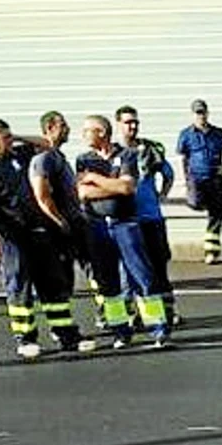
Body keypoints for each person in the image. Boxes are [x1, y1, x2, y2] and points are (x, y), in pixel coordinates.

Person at [0, 118, 85, 358]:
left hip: (40, 231)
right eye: (5, 137)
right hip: (12, 237)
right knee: (19, 286)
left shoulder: (20, 154)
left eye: (10, 136)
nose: (10, 140)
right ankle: (26, 338)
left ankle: (66, 334)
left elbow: (47, 144)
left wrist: (18, 137)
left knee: (53, 284)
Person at [77, 115, 171, 350]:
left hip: (125, 224)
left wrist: (95, 180)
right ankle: (120, 330)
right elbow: (82, 193)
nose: (84, 134)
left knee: (142, 275)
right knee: (107, 282)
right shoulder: (84, 159)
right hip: (97, 225)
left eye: (88, 130)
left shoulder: (126, 155)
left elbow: (127, 187)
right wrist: (111, 186)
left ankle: (158, 327)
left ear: (101, 132)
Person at [28, 110, 97, 352]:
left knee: (78, 274)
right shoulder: (43, 159)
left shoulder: (56, 155)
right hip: (58, 230)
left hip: (73, 224)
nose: (67, 129)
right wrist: (58, 221)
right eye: (63, 125)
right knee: (58, 281)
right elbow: (42, 195)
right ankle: (62, 332)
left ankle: (68, 328)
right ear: (50, 128)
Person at [115, 106, 179, 326]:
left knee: (158, 266)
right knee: (129, 271)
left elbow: (168, 174)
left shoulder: (149, 149)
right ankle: (132, 314)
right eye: (127, 122)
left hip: (151, 217)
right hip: (127, 219)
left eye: (135, 122)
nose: (132, 126)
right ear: (118, 125)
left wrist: (161, 195)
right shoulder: (115, 154)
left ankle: (167, 311)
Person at [175, 100, 222, 264]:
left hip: (215, 179)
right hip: (196, 179)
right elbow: (181, 157)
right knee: (195, 202)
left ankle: (211, 251)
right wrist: (184, 180)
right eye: (198, 113)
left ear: (207, 113)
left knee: (216, 213)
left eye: (203, 112)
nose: (201, 116)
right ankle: (203, 203)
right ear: (193, 115)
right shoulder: (186, 134)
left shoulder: (218, 133)